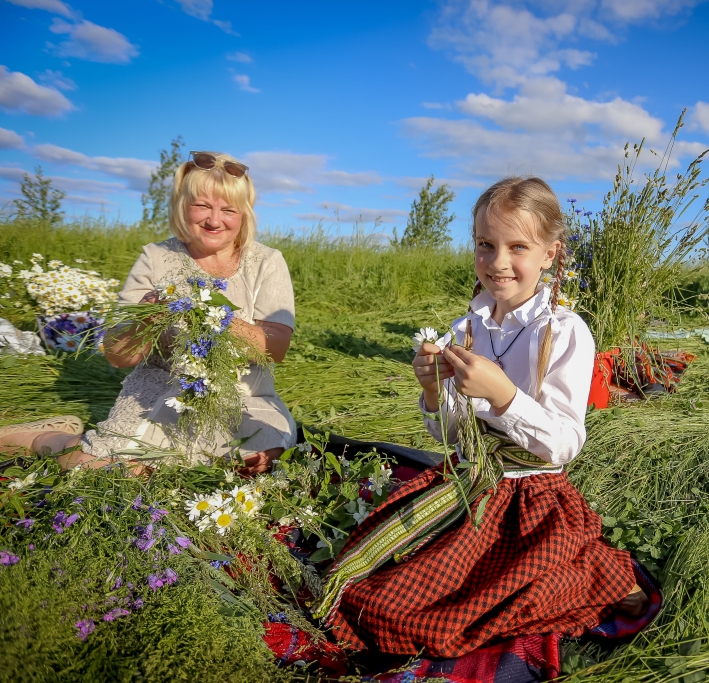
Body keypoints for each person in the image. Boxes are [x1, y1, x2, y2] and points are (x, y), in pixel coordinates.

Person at [316, 177, 646, 658]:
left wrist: (505, 395)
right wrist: (432, 391)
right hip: (467, 480)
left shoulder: (564, 331)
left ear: (550, 254)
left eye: (518, 247)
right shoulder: (465, 328)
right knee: (366, 593)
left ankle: (588, 573)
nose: (498, 262)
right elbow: (452, 434)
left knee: (423, 617)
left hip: (531, 496)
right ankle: (567, 574)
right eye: (485, 246)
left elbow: (564, 443)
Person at [0, 152, 296, 474]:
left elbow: (275, 348)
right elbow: (118, 356)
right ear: (182, 206)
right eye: (202, 206)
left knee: (258, 459)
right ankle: (46, 438)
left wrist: (214, 314)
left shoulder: (266, 262)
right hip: (162, 391)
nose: (214, 220)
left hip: (243, 393)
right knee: (105, 470)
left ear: (244, 215)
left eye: (228, 210)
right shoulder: (156, 258)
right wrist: (147, 317)